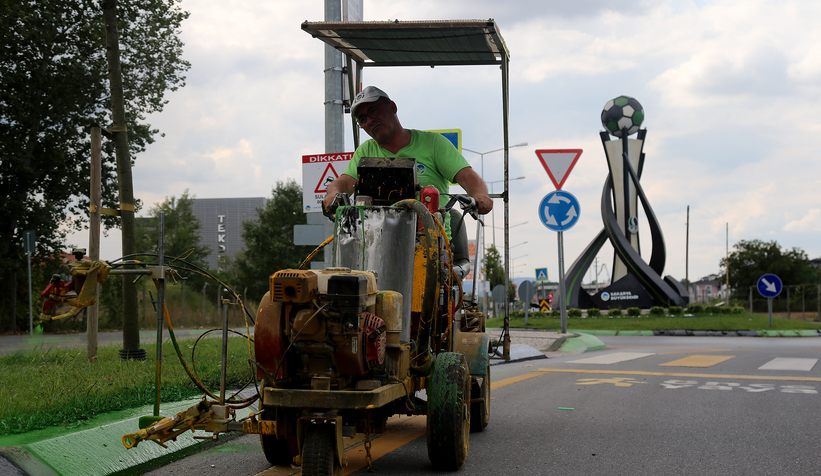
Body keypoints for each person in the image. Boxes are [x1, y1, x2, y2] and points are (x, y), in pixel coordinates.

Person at [323, 86, 493, 238]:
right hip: (378, 242)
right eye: (362, 119)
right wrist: (333, 193)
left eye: (373, 111)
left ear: (392, 107)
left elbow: (467, 176)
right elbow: (345, 182)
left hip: (430, 243)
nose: (369, 120)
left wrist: (479, 195)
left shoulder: (433, 144)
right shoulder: (366, 151)